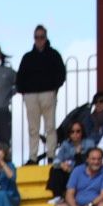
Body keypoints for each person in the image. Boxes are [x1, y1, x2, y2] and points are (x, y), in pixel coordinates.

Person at [17, 26, 65, 162]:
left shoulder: (54, 55)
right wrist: (24, 92)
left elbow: (61, 73)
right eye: (37, 37)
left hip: (48, 93)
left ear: (46, 37)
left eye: (41, 37)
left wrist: (54, 88)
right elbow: (20, 77)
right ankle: (33, 157)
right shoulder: (27, 57)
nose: (39, 40)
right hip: (31, 95)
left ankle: (51, 155)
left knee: (50, 126)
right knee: (33, 128)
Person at [44, 121, 86, 202]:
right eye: (72, 132)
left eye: (78, 131)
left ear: (82, 132)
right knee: (55, 169)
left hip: (82, 172)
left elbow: (89, 162)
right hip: (68, 172)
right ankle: (58, 196)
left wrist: (77, 156)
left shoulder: (88, 143)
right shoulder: (65, 144)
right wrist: (62, 164)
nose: (75, 134)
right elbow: (56, 161)